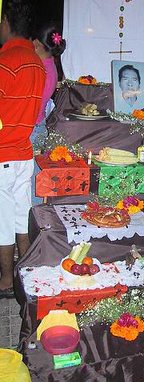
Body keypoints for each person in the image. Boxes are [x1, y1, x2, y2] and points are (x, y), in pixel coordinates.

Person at [0, 0, 45, 297]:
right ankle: (25, 275)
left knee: (3, 222)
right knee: (19, 216)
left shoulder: (6, 62)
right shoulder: (37, 63)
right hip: (23, 153)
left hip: (3, 154)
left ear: (5, 22)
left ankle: (5, 280)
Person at [31, 23, 66, 205]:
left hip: (32, 127)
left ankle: (30, 224)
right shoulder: (48, 65)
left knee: (31, 181)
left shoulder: (42, 69)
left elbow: (33, 105)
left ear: (36, 43)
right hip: (37, 126)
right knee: (32, 178)